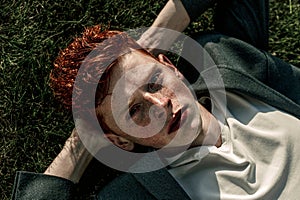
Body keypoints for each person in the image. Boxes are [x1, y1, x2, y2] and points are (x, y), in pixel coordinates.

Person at [12, 0, 300, 199]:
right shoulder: (137, 193)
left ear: (172, 67)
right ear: (121, 141)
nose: (160, 105)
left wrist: (155, 35)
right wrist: (80, 146)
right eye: (135, 110)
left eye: (155, 82)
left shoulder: (226, 58)